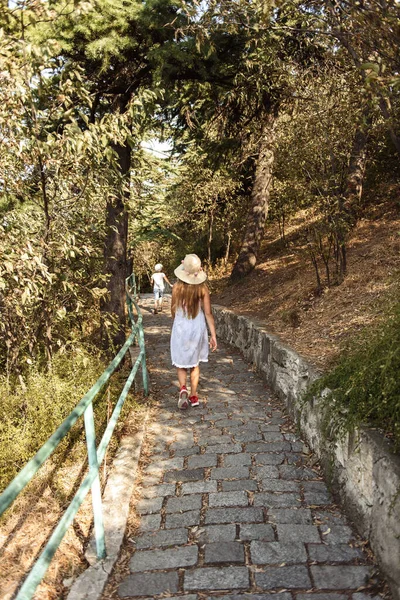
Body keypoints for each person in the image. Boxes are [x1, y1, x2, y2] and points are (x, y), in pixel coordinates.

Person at [170, 253, 217, 410]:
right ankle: (194, 394)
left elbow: (173, 311)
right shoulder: (202, 289)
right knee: (195, 364)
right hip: (197, 328)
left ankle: (183, 388)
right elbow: (208, 313)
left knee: (181, 363)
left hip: (181, 327)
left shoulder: (176, 288)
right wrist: (213, 335)